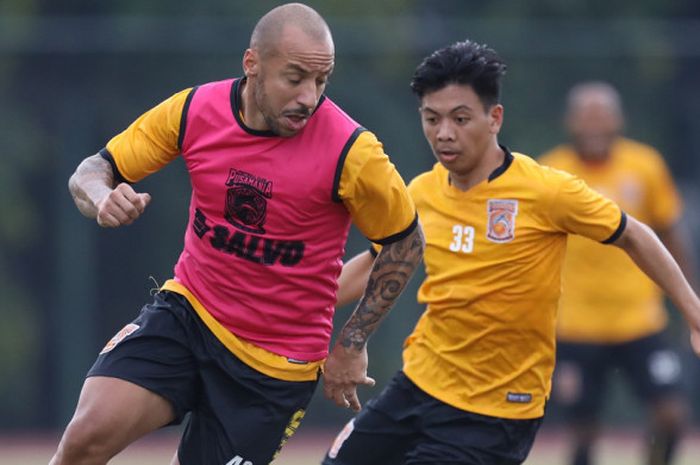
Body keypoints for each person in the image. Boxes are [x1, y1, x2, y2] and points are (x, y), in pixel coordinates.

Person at [51, 3, 424, 465]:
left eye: (321, 81)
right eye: (294, 78)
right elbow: (92, 170)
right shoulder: (194, 110)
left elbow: (404, 242)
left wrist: (352, 343)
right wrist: (102, 196)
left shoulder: (354, 152)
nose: (309, 96)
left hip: (274, 370)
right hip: (189, 317)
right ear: (252, 64)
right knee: (85, 438)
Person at [322, 40, 700, 465]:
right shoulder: (421, 193)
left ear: (494, 118)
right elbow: (377, 264)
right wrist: (296, 306)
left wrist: (693, 311)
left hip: (495, 413)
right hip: (417, 385)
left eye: (460, 118)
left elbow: (635, 234)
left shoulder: (547, 190)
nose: (444, 132)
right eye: (432, 119)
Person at [539, 81, 697, 465]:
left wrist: (689, 297)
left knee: (671, 414)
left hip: (639, 319)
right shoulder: (550, 171)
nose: (594, 125)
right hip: (576, 323)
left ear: (618, 120)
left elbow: (669, 233)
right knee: (582, 432)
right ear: (570, 122)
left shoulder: (644, 166)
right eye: (586, 116)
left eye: (602, 115)